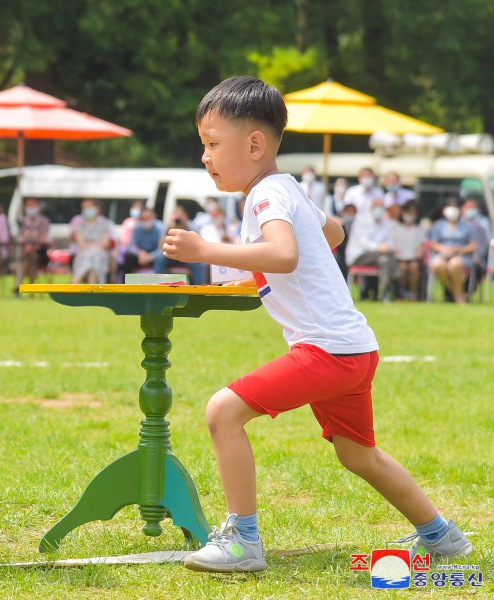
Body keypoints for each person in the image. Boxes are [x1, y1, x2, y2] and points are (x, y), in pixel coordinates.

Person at [162, 76, 472, 573]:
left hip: (326, 350)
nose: (206, 156)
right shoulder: (285, 189)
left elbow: (283, 254)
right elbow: (334, 233)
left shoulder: (265, 196)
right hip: (352, 348)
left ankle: (242, 541)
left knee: (223, 412)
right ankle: (442, 537)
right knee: (359, 456)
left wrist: (205, 251)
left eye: (213, 144)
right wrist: (222, 281)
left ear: (255, 144)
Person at [345, 198, 400, 302]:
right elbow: (362, 242)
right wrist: (379, 247)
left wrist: (387, 248)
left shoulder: (386, 223)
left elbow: (390, 242)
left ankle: (384, 293)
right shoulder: (361, 220)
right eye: (376, 206)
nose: (379, 209)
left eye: (381, 206)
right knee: (387, 256)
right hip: (359, 255)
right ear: (371, 207)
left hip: (379, 257)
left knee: (385, 260)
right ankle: (396, 286)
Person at [428, 200, 476, 304]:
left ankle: (458, 297)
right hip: (442, 254)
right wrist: (444, 249)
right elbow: (433, 243)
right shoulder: (438, 225)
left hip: (461, 255)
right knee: (437, 264)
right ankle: (457, 294)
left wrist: (459, 249)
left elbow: (473, 246)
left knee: (454, 264)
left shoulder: (466, 226)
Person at [154, 206, 208, 284]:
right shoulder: (167, 227)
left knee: (198, 263)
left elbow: (196, 246)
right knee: (159, 257)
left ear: (185, 217)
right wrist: (170, 229)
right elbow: (160, 247)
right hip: (170, 256)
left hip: (187, 256)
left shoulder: (191, 228)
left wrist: (183, 228)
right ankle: (158, 285)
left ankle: (200, 287)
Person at [70, 199, 113, 284]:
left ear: (97, 208)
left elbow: (105, 243)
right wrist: (95, 245)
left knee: (93, 255)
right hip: (84, 255)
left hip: (99, 255)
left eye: (89, 207)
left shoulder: (104, 223)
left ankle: (75, 282)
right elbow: (81, 244)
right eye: (85, 208)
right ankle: (99, 285)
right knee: (91, 257)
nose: (87, 209)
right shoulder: (80, 224)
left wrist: (92, 246)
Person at [392, 201, 426, 300]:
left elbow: (423, 243)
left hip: (414, 257)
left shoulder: (420, 226)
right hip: (398, 258)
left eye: (413, 213)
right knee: (402, 267)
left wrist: (420, 251)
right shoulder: (394, 225)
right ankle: (400, 293)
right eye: (409, 212)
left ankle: (413, 294)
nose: (411, 216)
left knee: (414, 267)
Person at [15, 197, 51, 289]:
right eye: (29, 206)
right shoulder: (22, 221)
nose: (31, 208)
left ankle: (20, 285)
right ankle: (29, 285)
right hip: (25, 252)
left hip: (40, 252)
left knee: (29, 258)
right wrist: (28, 244)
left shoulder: (44, 221)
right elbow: (20, 238)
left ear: (38, 207)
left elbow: (44, 239)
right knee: (25, 257)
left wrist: (32, 245)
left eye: (33, 205)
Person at [124, 207, 163, 274]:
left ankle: (159, 282)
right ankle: (126, 282)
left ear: (154, 217)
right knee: (128, 257)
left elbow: (162, 249)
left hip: (154, 255)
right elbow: (131, 246)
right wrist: (139, 253)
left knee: (161, 259)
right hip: (140, 255)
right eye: (143, 219)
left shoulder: (161, 228)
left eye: (148, 218)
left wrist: (150, 256)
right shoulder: (137, 228)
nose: (145, 221)